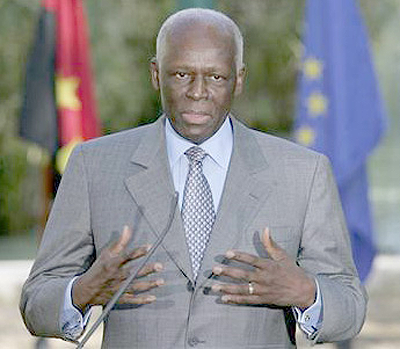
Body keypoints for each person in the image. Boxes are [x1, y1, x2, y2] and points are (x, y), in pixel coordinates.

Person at [20, 8, 367, 349]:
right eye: (181, 74)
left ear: (239, 78)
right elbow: (36, 302)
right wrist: (81, 291)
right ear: (156, 74)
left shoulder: (303, 172)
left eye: (215, 77)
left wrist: (306, 292)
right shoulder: (92, 166)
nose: (198, 91)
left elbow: (350, 307)